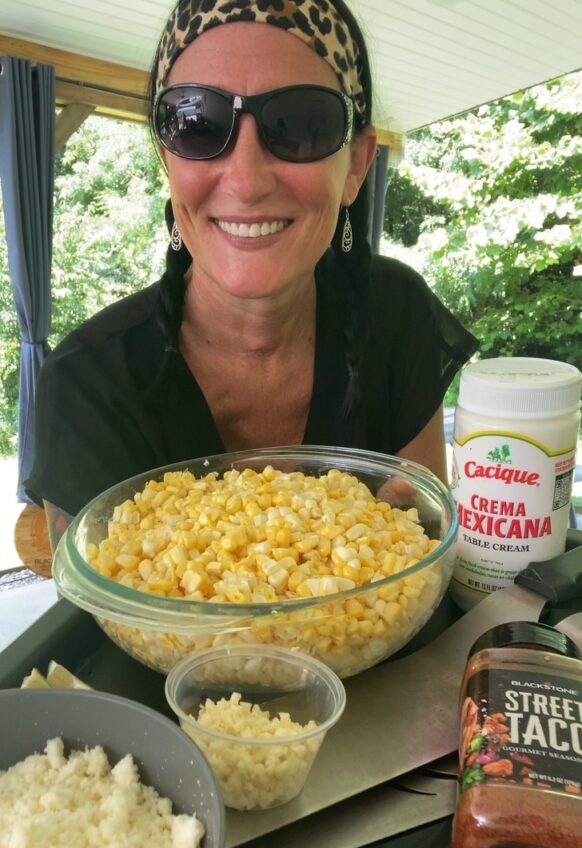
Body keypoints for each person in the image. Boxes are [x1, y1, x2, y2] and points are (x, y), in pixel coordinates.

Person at [27, 0, 479, 552]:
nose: (245, 180)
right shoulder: (89, 382)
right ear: (167, 160)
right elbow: (110, 611)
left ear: (357, 166)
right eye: (197, 123)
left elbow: (420, 550)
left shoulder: (394, 311)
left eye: (301, 126)